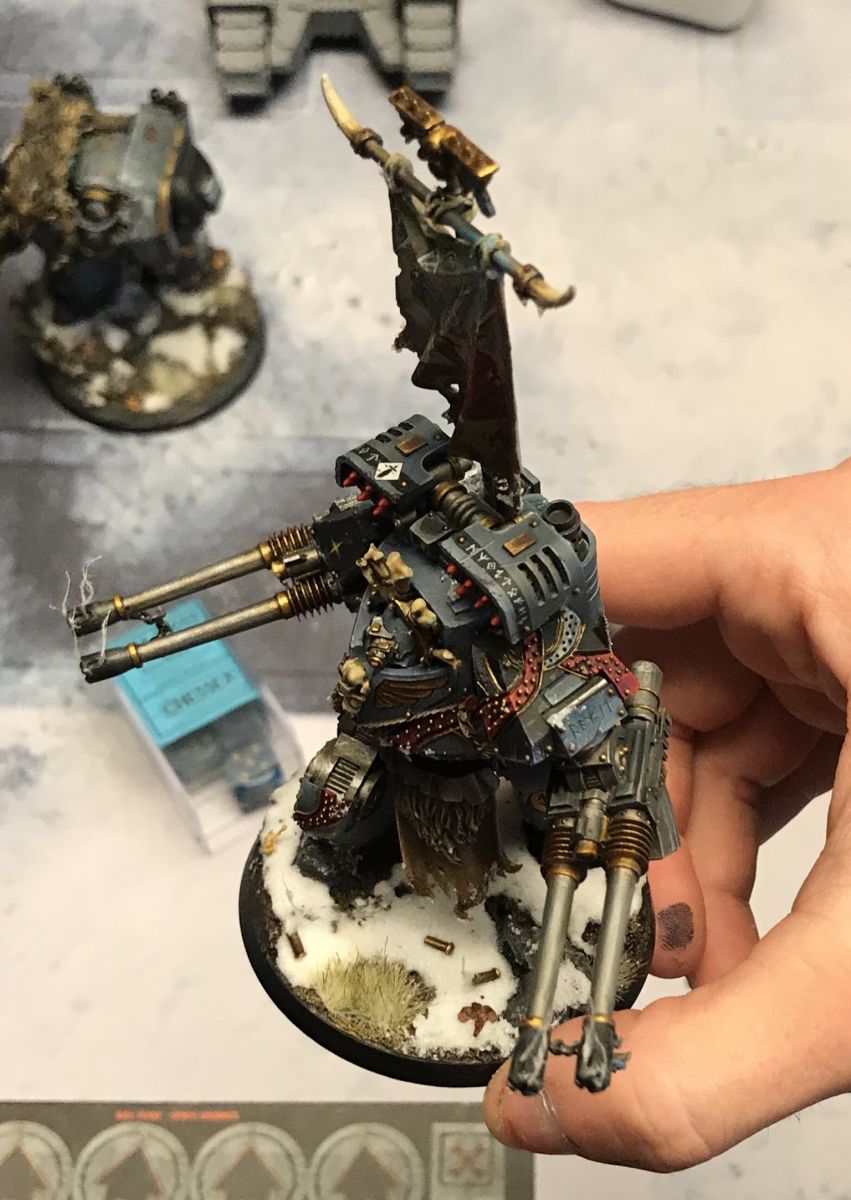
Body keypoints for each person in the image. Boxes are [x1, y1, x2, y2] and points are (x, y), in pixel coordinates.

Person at [484, 459, 851, 1171]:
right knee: (573, 884)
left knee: (604, 887)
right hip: (579, 790)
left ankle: (574, 1029)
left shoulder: (636, 720)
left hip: (614, 800)